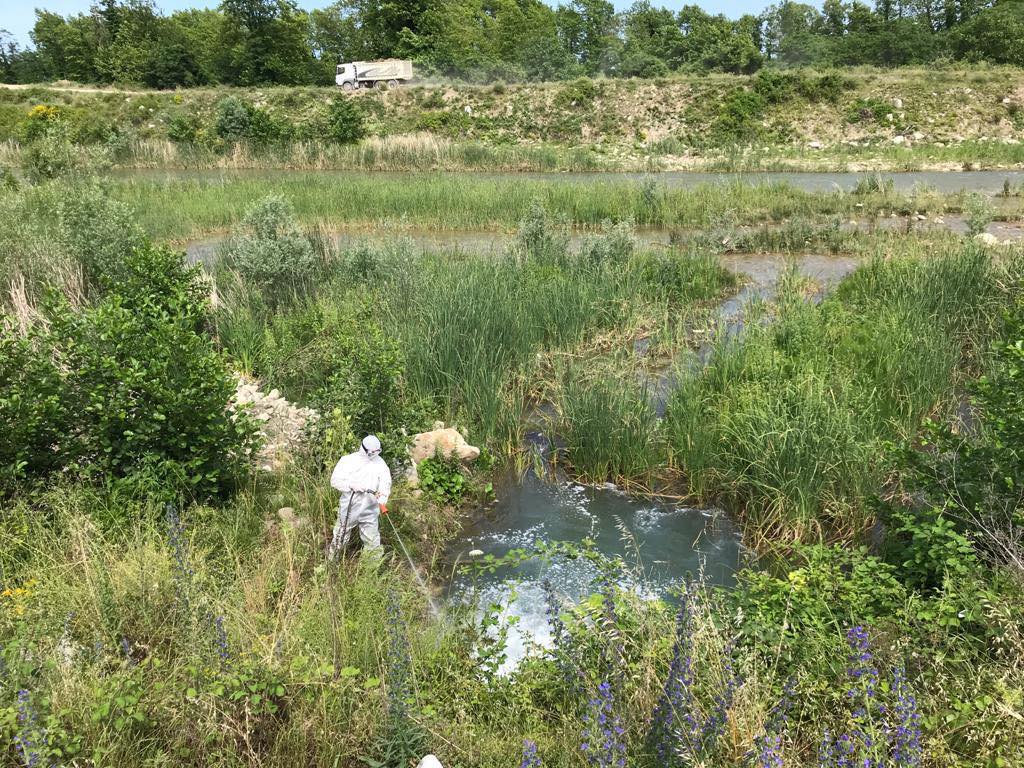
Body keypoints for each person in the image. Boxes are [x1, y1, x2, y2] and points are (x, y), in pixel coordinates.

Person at [328, 435, 392, 559]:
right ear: (363, 449)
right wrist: (351, 485)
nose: (374, 455)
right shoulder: (348, 460)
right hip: (350, 506)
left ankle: (372, 567)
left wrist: (382, 497)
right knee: (341, 534)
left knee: (372, 540)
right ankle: (332, 562)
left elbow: (386, 482)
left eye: (377, 452)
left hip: (370, 507)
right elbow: (335, 481)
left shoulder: (380, 463)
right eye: (371, 452)